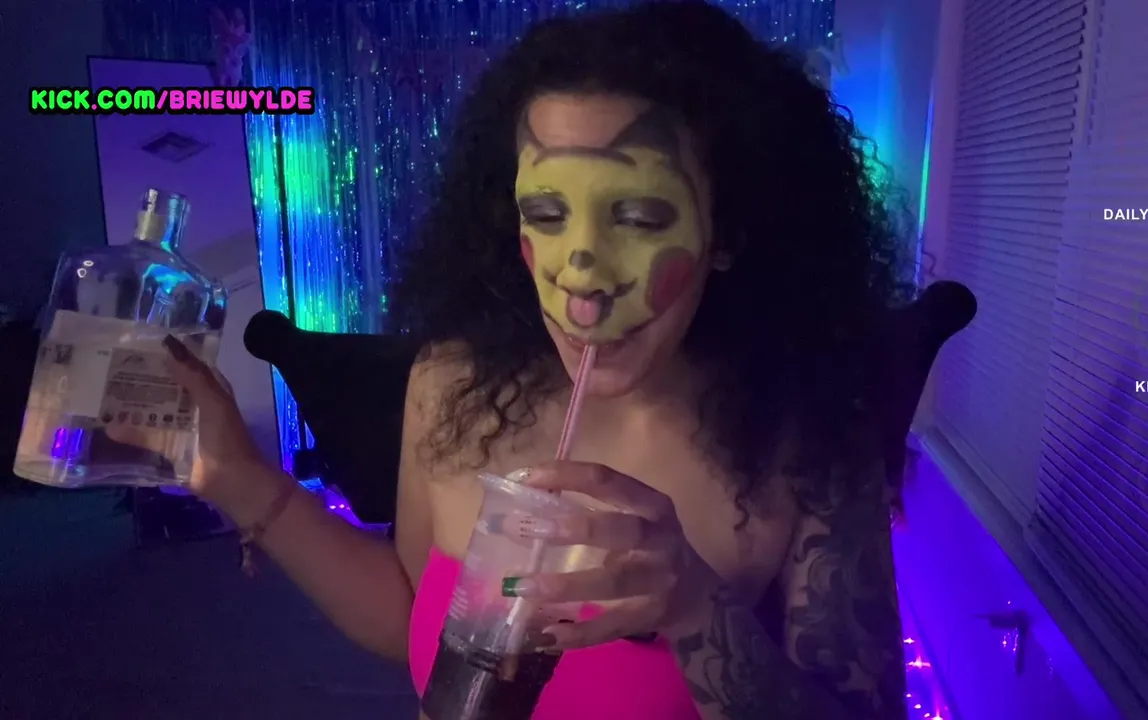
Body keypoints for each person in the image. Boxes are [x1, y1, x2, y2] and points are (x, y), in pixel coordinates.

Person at [162, 1, 914, 718]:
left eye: (638, 216)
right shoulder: (453, 385)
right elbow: (414, 618)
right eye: (547, 214)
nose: (582, 274)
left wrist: (695, 607)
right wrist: (235, 478)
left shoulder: (806, 442)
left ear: (728, 232)